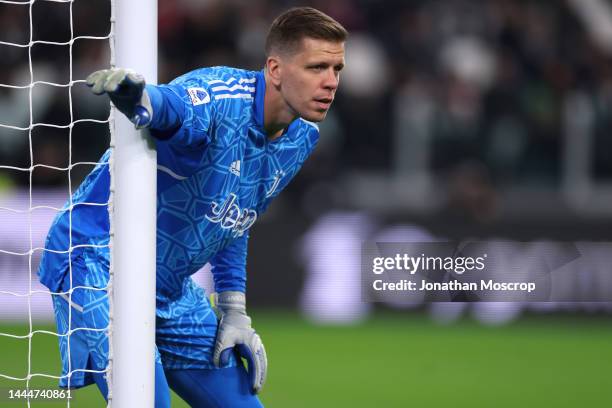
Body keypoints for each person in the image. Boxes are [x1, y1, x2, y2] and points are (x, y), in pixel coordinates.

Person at [38, 6, 347, 408]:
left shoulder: (303, 136)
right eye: (317, 67)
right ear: (275, 69)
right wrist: (141, 97)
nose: (330, 82)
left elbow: (237, 215)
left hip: (167, 287)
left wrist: (234, 310)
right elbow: (174, 108)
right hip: (95, 259)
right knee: (146, 401)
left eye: (337, 69)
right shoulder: (221, 95)